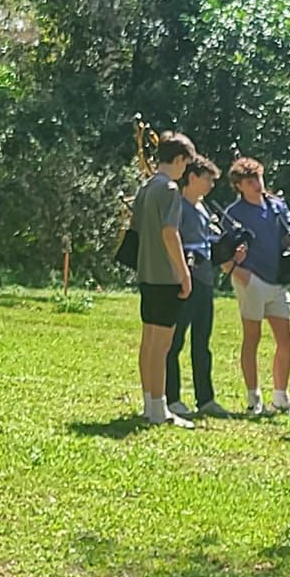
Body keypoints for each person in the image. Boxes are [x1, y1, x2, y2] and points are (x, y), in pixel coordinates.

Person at [225, 156, 290, 418]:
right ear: (239, 185)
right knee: (253, 338)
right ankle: (253, 397)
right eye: (250, 181)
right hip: (252, 279)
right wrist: (238, 272)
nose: (257, 184)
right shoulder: (234, 213)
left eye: (258, 178)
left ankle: (281, 396)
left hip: (277, 280)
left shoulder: (277, 206)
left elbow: (289, 237)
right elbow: (222, 252)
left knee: (286, 340)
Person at [130, 132, 196, 427]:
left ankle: (150, 404)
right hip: (165, 276)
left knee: (149, 343)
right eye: (186, 164)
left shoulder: (146, 188)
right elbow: (170, 234)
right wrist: (184, 273)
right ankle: (160, 409)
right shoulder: (169, 189)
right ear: (179, 159)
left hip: (146, 272)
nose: (186, 171)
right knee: (162, 345)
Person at [165, 156, 225, 420]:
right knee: (174, 342)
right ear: (192, 177)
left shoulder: (202, 208)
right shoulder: (177, 206)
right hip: (184, 281)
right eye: (207, 179)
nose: (211, 185)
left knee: (202, 342)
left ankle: (206, 398)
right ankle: (172, 397)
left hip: (205, 281)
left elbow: (208, 240)